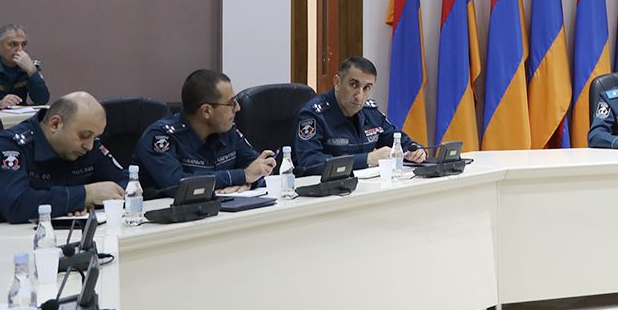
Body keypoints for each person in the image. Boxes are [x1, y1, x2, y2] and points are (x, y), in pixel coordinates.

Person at [0, 92, 127, 227]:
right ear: (55, 124)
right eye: (84, 135)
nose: (89, 146)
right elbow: (18, 206)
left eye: (95, 137)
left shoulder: (87, 146)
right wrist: (86, 195)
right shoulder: (6, 147)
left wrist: (82, 203)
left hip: (51, 237)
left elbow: (126, 182)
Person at [136, 69, 278, 196]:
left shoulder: (226, 130)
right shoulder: (161, 136)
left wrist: (249, 183)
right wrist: (242, 176)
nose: (238, 108)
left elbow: (259, 167)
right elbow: (177, 185)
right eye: (231, 103)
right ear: (206, 111)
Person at [293, 56, 428, 175]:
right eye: (353, 85)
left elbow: (397, 139)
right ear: (337, 83)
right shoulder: (313, 115)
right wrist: (367, 159)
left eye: (367, 88)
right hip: (323, 190)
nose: (359, 96)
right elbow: (309, 162)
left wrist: (415, 150)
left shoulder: (370, 112)